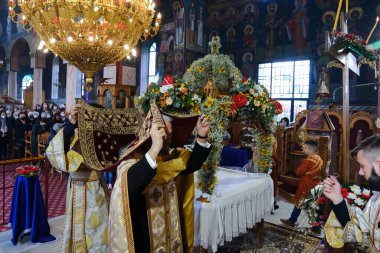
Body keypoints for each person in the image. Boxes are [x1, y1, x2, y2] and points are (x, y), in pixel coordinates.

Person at [109, 107, 212, 253]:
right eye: (163, 136)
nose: (168, 139)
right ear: (149, 133)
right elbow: (129, 186)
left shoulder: (170, 156)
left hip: (170, 231)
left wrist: (201, 136)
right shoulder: (132, 160)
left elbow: (191, 164)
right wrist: (155, 148)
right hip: (146, 235)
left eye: (169, 135)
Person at [323, 135, 380, 251]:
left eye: (362, 166)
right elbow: (361, 234)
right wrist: (338, 200)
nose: (360, 172)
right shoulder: (376, 198)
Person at [281, 140, 322, 227]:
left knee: (299, 203)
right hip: (316, 184)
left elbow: (299, 172)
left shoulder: (308, 160)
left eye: (305, 148)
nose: (304, 149)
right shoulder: (319, 159)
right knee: (312, 206)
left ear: (310, 149)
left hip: (306, 185)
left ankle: (292, 221)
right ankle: (316, 226)